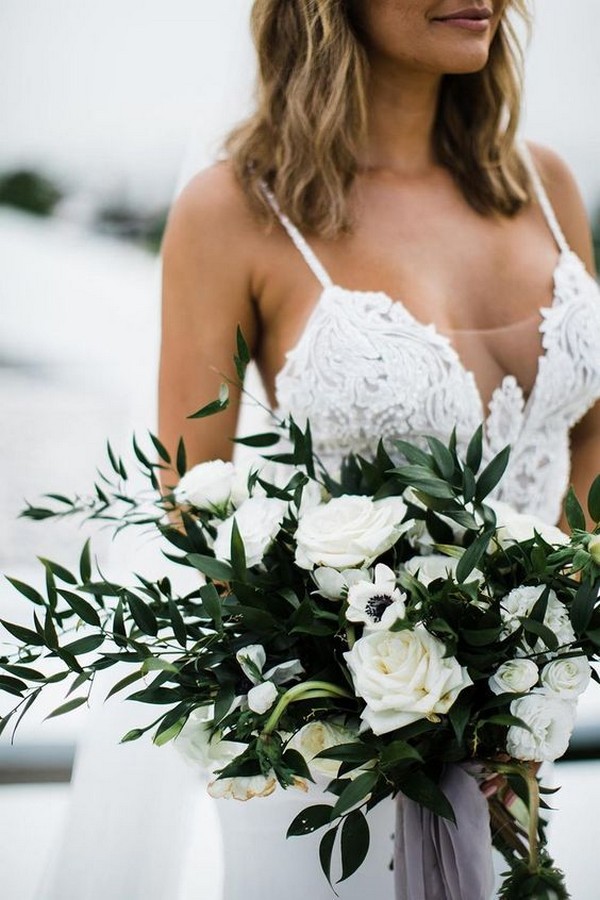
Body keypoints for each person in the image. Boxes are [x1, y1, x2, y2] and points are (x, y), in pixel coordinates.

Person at [158, 1, 600, 897]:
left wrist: (539, 666)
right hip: (339, 770)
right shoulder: (238, 207)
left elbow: (589, 426)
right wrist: (394, 700)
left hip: (534, 737)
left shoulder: (543, 183)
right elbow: (196, 500)